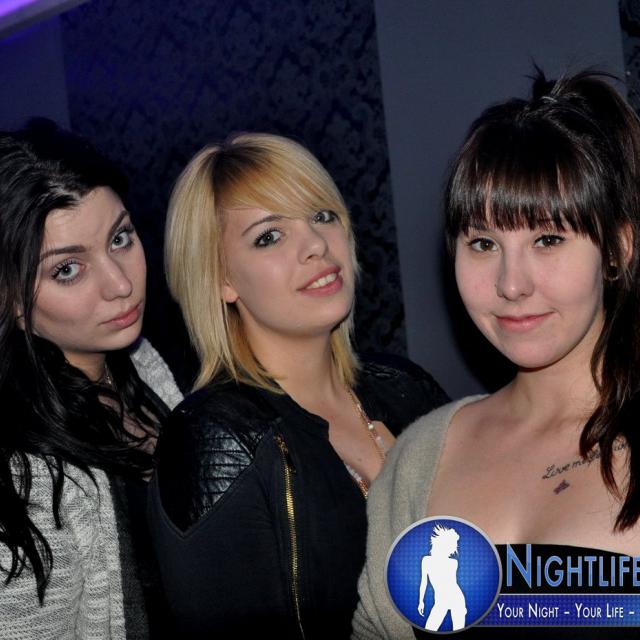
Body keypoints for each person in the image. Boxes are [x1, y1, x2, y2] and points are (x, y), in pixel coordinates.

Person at [353, 69, 640, 639]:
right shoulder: (420, 457)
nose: (511, 284)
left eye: (548, 240)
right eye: (483, 244)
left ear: (617, 248)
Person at [148, 132, 448, 638]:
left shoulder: (406, 388)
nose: (316, 245)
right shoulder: (217, 440)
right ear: (221, 279)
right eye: (270, 236)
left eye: (322, 216)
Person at [0, 119, 182, 640]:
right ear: (10, 300)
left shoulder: (145, 364)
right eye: (67, 270)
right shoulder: (24, 480)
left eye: (120, 238)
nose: (121, 284)